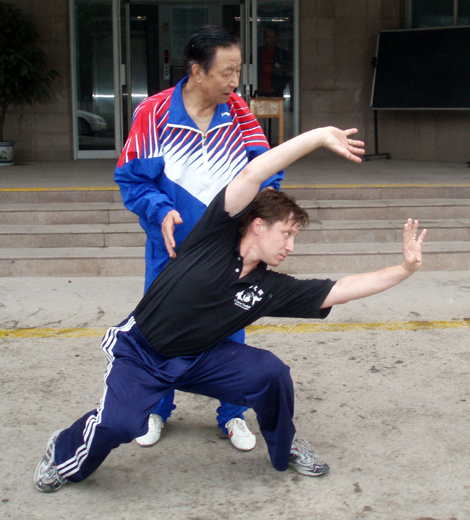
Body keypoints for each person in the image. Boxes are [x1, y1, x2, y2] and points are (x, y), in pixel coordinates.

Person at [34, 125, 428, 493]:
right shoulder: (216, 233)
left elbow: (341, 290)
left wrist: (405, 269)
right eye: (286, 233)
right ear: (258, 225)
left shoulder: (267, 287)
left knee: (272, 374)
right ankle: (62, 452)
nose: (290, 246)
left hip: (201, 358)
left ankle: (286, 445)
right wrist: (319, 136)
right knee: (118, 425)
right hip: (142, 353)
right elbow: (254, 172)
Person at [115, 26, 284, 451]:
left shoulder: (239, 113)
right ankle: (155, 408)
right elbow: (132, 179)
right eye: (227, 72)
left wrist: (261, 214)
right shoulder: (153, 113)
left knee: (230, 326)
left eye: (238, 71)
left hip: (227, 251)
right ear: (197, 71)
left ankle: (232, 414)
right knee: (160, 331)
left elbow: (267, 170)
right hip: (171, 251)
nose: (234, 82)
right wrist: (161, 210)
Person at [257, 26, 292, 98]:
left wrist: (279, 87)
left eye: (274, 36)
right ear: (265, 38)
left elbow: (288, 72)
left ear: (277, 38)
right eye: (269, 36)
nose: (271, 39)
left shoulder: (282, 54)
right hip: (258, 92)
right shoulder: (258, 53)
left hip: (276, 93)